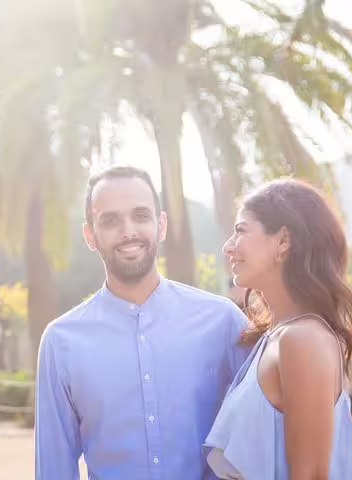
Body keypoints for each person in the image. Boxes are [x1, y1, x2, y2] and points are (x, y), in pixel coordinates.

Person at [35, 166, 251, 480]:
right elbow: (53, 469)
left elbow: (264, 434)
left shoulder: (224, 322)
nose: (128, 231)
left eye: (141, 215)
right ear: (90, 235)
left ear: (161, 225)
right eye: (110, 220)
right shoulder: (60, 342)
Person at [204, 178, 352, 479]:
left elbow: (313, 475)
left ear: (283, 241)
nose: (228, 247)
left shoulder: (303, 340)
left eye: (240, 230)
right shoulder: (275, 336)